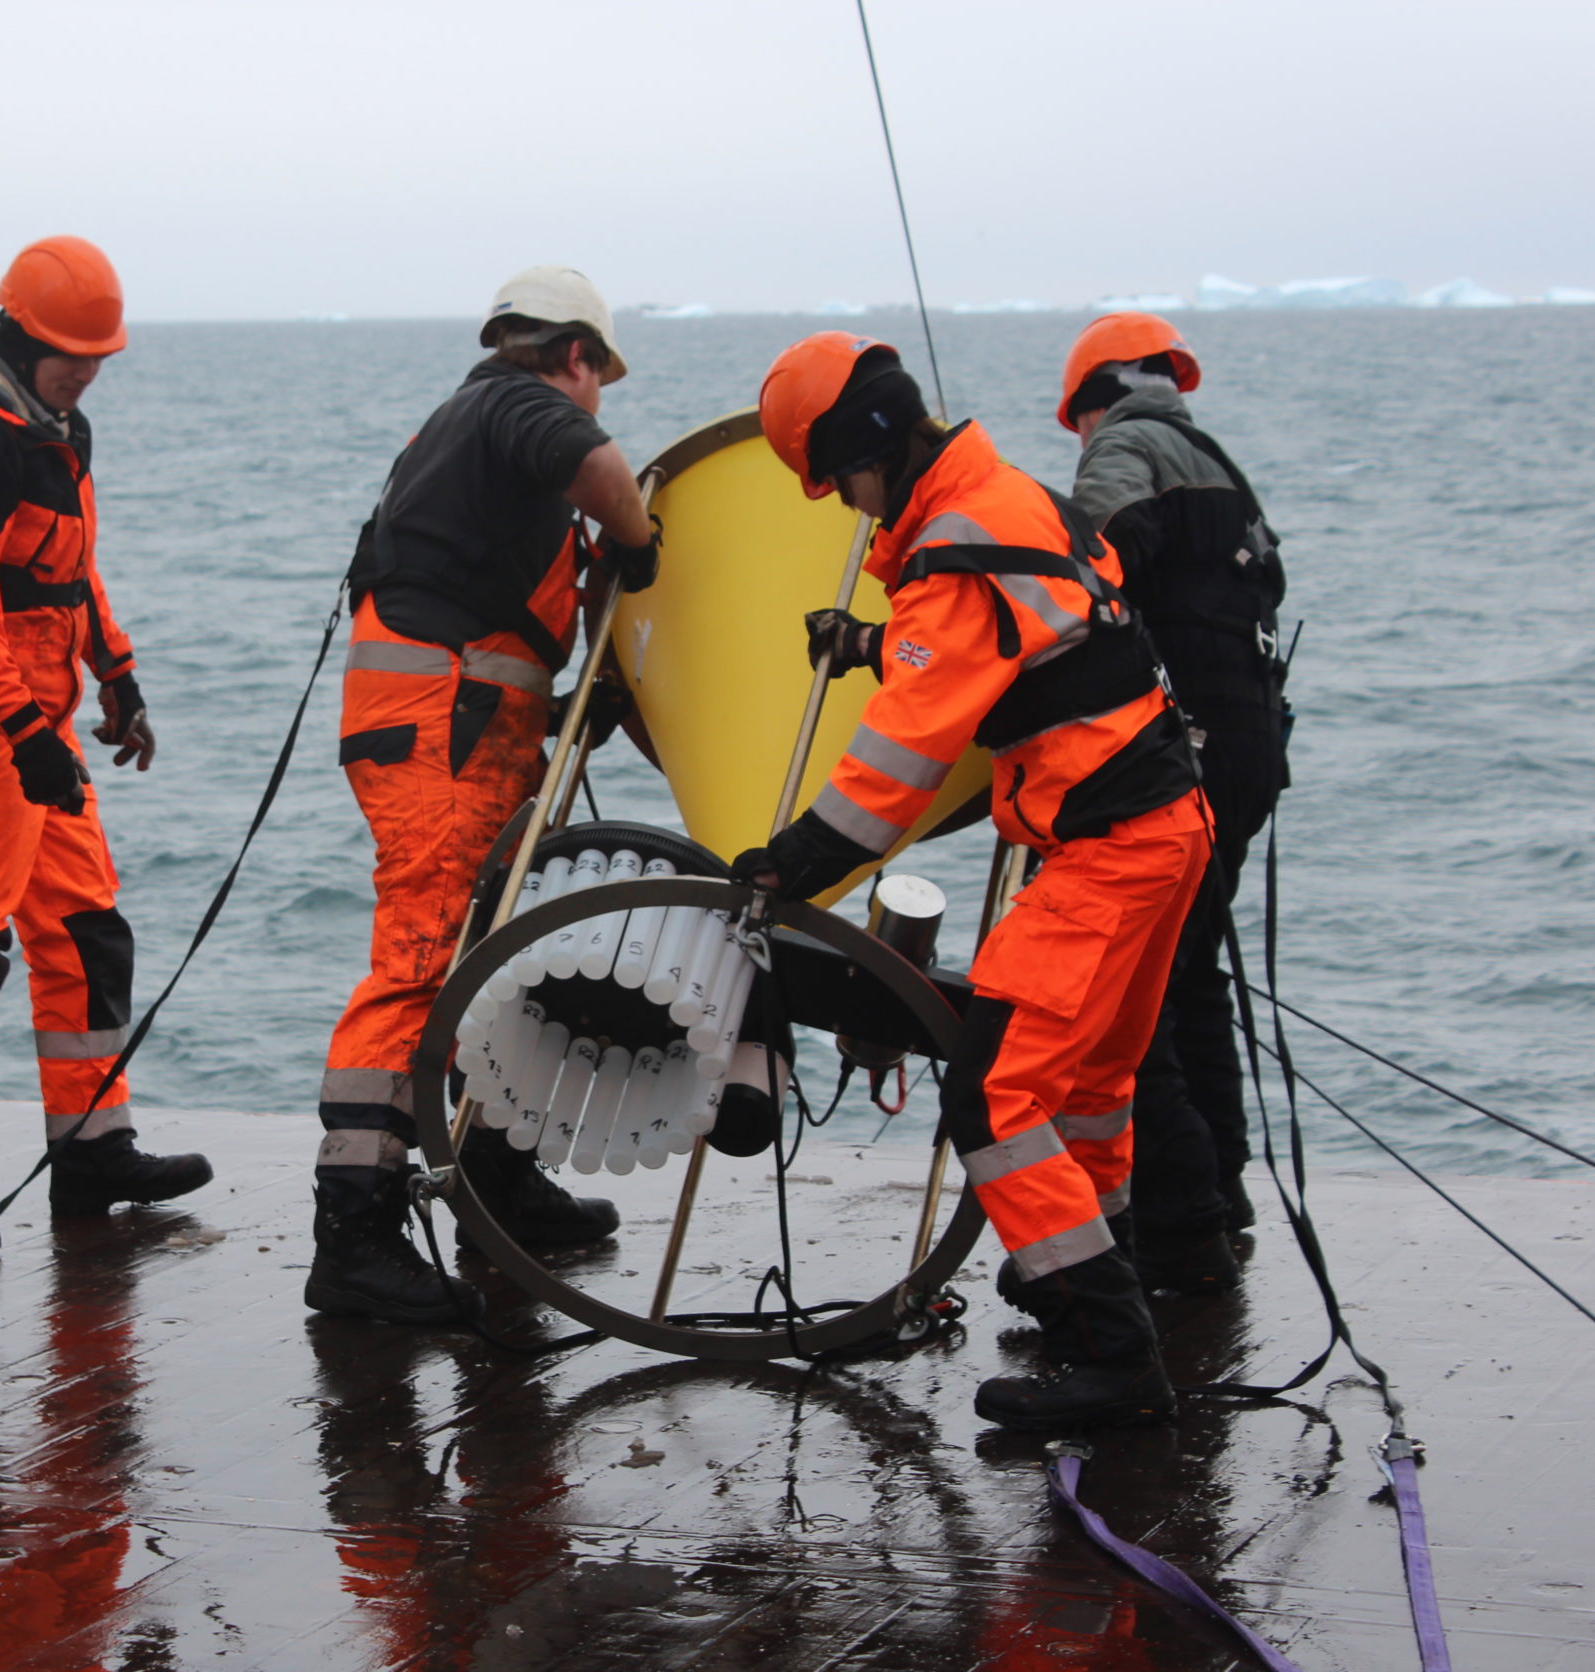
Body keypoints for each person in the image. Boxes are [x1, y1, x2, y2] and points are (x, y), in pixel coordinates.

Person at [733, 332, 1210, 1429]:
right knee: (1087, 1087)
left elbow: (890, 780)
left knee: (995, 1093)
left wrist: (788, 866)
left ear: (866, 449)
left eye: (837, 481)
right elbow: (1020, 629)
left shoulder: (951, 551)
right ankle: (1087, 1274)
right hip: (1167, 823)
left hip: (1108, 848)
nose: (844, 505)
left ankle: (1110, 1356)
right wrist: (872, 640)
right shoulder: (1007, 498)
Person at [308, 265, 662, 1324]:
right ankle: (355, 1239)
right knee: (417, 964)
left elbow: (495, 619)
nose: (595, 397)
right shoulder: (516, 402)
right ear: (573, 357)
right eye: (597, 375)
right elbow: (598, 465)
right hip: (437, 735)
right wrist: (639, 550)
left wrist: (562, 714)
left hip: (467, 733)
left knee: (501, 957)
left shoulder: (471, 448)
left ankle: (497, 1186)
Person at [0, 235, 211, 1258]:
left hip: (35, 730)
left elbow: (67, 576)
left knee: (86, 934)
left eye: (100, 355)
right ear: (18, 336)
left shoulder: (56, 428)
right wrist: (20, 728)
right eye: (71, 353)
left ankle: (93, 1149)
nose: (89, 369)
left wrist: (118, 674)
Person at [1059, 312, 1290, 1283]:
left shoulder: (1123, 449)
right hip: (1247, 746)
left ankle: (1179, 1216)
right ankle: (1221, 1184)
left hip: (1185, 755)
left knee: (1138, 990)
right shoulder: (1215, 465)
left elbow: (1091, 580)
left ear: (1088, 403)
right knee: (1191, 971)